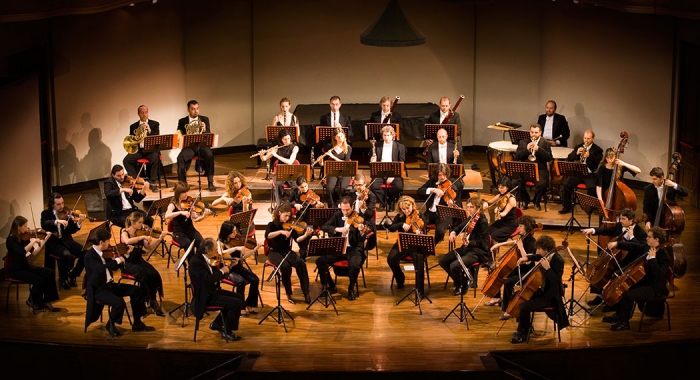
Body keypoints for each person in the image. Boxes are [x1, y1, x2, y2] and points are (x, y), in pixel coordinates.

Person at [84, 228, 154, 337]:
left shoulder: (104, 252)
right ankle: (110, 325)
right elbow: (101, 269)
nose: (109, 243)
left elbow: (114, 268)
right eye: (108, 241)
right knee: (119, 302)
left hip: (110, 285)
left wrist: (124, 256)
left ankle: (137, 323)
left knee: (136, 291)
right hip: (99, 290)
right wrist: (116, 260)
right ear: (101, 242)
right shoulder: (89, 255)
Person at [602, 226, 671, 331]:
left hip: (654, 287)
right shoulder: (647, 247)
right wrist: (617, 244)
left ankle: (624, 322)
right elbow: (634, 246)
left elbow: (660, 274)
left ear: (657, 240)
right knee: (623, 289)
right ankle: (619, 315)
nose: (646, 238)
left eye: (649, 237)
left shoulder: (663, 255)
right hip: (644, 282)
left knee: (628, 295)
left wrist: (652, 259)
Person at [581, 207, 648, 306]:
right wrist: (592, 230)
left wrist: (632, 237)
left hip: (630, 260)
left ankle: (611, 301)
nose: (621, 221)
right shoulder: (619, 226)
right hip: (616, 257)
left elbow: (641, 249)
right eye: (620, 219)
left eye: (624, 219)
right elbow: (607, 230)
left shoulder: (639, 232)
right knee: (600, 270)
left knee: (612, 273)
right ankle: (600, 296)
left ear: (631, 220)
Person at [509, 234, 569, 343]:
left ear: (546, 249)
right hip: (543, 291)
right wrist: (526, 257)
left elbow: (556, 281)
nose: (537, 251)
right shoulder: (547, 255)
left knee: (524, 307)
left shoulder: (558, 261)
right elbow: (537, 256)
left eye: (539, 249)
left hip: (550, 297)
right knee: (519, 297)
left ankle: (523, 335)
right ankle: (525, 328)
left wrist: (548, 268)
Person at [189, 238, 244, 341]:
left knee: (239, 298)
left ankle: (217, 323)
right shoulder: (196, 263)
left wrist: (230, 266)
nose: (218, 253)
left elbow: (215, 276)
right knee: (236, 303)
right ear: (208, 251)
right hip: (205, 296)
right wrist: (222, 271)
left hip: (212, 291)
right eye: (215, 250)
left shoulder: (207, 258)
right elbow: (207, 280)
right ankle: (227, 332)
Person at [485, 215, 539, 320]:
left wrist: (521, 247)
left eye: (521, 226)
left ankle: (507, 310)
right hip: (519, 268)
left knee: (508, 282)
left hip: (527, 272)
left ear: (527, 227)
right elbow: (515, 242)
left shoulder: (532, 241)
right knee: (501, 273)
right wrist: (499, 244)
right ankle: (497, 298)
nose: (518, 228)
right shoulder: (523, 237)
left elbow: (528, 261)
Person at [318, 196, 368, 301]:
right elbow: (325, 226)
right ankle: (331, 286)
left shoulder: (359, 217)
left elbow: (361, 240)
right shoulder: (337, 215)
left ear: (352, 207)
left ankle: (351, 288)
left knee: (354, 265)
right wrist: (338, 229)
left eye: (347, 210)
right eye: (343, 209)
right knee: (320, 261)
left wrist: (362, 231)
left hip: (353, 249)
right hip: (338, 248)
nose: (345, 212)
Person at [6, 216, 60, 312]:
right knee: (39, 280)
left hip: (25, 266)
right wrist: (34, 241)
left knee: (49, 272)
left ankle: (47, 300)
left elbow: (34, 252)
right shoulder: (10, 240)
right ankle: (32, 300)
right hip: (16, 270)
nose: (27, 229)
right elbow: (22, 252)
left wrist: (45, 239)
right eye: (25, 226)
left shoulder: (23, 238)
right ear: (18, 227)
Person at [439, 196, 490, 296]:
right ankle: (463, 280)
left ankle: (461, 285)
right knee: (442, 261)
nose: (469, 209)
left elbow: (480, 242)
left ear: (478, 208)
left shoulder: (482, 221)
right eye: (468, 207)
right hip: (467, 248)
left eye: (472, 207)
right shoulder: (472, 217)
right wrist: (454, 232)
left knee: (455, 265)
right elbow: (461, 226)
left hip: (477, 251)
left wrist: (468, 242)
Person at [121, 211, 166, 316]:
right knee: (145, 276)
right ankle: (150, 300)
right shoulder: (124, 232)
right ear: (132, 222)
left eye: (142, 222)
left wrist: (159, 239)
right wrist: (142, 238)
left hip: (138, 260)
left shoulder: (141, 232)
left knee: (154, 274)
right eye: (140, 222)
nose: (142, 225)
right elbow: (127, 241)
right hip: (128, 263)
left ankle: (151, 299)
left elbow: (148, 249)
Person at [265, 203, 312, 304]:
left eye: (289, 216)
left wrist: (306, 235)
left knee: (301, 264)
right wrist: (281, 232)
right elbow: (268, 235)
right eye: (285, 216)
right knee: (286, 267)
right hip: (274, 252)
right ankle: (288, 293)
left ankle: (306, 292)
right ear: (279, 213)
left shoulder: (290, 226)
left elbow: (297, 239)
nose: (287, 218)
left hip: (287, 251)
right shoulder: (272, 225)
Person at [41, 192, 86, 290]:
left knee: (85, 252)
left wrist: (78, 222)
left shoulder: (66, 212)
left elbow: (71, 230)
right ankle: (63, 278)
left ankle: (73, 274)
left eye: (62, 203)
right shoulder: (46, 214)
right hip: (55, 244)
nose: (61, 206)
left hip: (67, 241)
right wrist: (57, 221)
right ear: (52, 204)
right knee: (67, 256)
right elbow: (44, 224)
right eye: (58, 204)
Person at [217, 220, 262, 315]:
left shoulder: (235, 241)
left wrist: (254, 250)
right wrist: (236, 249)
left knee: (255, 279)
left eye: (235, 231)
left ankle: (249, 304)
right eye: (233, 232)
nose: (235, 233)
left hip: (237, 267)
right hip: (227, 270)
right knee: (241, 282)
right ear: (227, 232)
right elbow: (220, 254)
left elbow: (242, 258)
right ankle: (240, 307)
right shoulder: (220, 243)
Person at [385, 196, 426, 293]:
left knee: (419, 262)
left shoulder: (420, 215)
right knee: (391, 259)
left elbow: (424, 228)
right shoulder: (400, 216)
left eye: (408, 208)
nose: (406, 211)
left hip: (416, 244)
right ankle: (400, 278)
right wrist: (401, 224)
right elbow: (391, 228)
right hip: (402, 242)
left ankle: (419, 289)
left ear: (412, 205)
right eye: (404, 209)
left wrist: (420, 232)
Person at [559, 130, 604, 214]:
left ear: (593, 139)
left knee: (592, 187)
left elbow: (599, 163)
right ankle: (567, 206)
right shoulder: (578, 146)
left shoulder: (598, 150)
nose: (586, 140)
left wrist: (589, 156)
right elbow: (569, 158)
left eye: (588, 138)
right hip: (578, 172)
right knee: (566, 184)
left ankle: (590, 208)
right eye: (585, 138)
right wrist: (576, 153)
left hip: (590, 174)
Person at [176, 100, 216, 192]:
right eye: (193, 109)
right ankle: (182, 184)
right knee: (180, 158)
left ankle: (210, 182)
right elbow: (179, 134)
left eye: (197, 108)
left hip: (202, 146)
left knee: (210, 156)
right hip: (189, 147)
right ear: (188, 110)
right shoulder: (182, 121)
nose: (196, 111)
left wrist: (204, 129)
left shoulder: (205, 119)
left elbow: (208, 134)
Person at [165, 182, 214, 256]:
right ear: (178, 193)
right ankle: (192, 263)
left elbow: (195, 219)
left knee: (201, 243)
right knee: (188, 245)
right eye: (183, 193)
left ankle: (198, 261)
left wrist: (204, 215)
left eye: (186, 192)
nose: (186, 195)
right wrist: (180, 212)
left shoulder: (188, 202)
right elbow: (167, 216)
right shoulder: (173, 204)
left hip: (190, 230)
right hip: (179, 232)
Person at [512, 124, 552, 211]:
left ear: (540, 133)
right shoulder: (523, 142)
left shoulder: (545, 143)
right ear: (530, 132)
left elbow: (549, 158)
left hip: (540, 169)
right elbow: (517, 156)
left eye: (536, 132)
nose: (534, 134)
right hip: (525, 169)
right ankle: (525, 200)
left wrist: (539, 149)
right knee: (515, 182)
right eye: (532, 132)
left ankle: (536, 202)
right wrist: (526, 150)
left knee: (543, 184)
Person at [417, 163, 458, 248]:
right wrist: (433, 190)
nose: (442, 177)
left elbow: (456, 205)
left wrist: (450, 204)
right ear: (436, 175)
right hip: (429, 213)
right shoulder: (432, 181)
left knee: (440, 231)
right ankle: (420, 246)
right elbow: (419, 191)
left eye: (444, 175)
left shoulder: (453, 187)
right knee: (418, 225)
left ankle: (431, 246)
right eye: (440, 175)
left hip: (443, 215)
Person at [122, 105, 161, 192]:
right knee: (126, 160)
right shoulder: (133, 126)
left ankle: (152, 182)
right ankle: (137, 180)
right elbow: (132, 139)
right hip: (139, 150)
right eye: (142, 113)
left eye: (146, 112)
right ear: (138, 114)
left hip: (150, 150)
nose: (144, 114)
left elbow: (157, 138)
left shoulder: (155, 124)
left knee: (155, 158)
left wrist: (149, 130)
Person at [104, 164, 154, 228]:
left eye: (122, 174)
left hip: (131, 210)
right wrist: (123, 189)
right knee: (131, 224)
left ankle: (146, 237)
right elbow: (108, 193)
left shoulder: (128, 181)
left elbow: (137, 199)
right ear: (113, 175)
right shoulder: (109, 182)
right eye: (118, 176)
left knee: (149, 220)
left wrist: (143, 190)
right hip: (118, 213)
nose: (122, 177)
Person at [260, 128, 299, 208]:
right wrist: (261, 154)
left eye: (288, 138)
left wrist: (276, 155)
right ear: (281, 140)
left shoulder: (295, 148)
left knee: (295, 185)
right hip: (280, 171)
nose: (287, 141)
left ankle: (292, 204)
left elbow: (290, 162)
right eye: (285, 139)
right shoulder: (277, 148)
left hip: (291, 171)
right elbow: (264, 158)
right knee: (278, 184)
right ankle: (280, 206)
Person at [370, 125, 406, 211]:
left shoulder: (400, 147)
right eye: (385, 135)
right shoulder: (377, 146)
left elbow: (402, 163)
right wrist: (372, 161)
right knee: (374, 186)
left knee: (398, 186)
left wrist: (393, 176)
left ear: (392, 135)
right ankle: (383, 201)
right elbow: (371, 163)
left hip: (394, 171)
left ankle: (391, 201)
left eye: (388, 135)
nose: (386, 137)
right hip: (380, 171)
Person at [595, 146, 641, 211]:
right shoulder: (602, 168)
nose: (609, 160)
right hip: (605, 194)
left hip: (618, 196)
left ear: (616, 157)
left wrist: (624, 164)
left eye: (611, 158)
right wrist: (600, 199)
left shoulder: (620, 166)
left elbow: (638, 171)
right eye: (607, 158)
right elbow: (599, 186)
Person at [426, 128, 464, 205]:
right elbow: (428, 163)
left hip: (450, 174)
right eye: (439, 137)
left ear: (446, 136)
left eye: (443, 136)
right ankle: (435, 205)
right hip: (438, 174)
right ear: (437, 137)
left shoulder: (454, 146)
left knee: (459, 185)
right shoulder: (432, 147)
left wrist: (458, 156)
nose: (441, 138)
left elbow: (460, 163)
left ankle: (458, 204)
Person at [643, 166, 688, 230]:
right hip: (655, 219)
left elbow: (685, 193)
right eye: (652, 179)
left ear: (661, 178)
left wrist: (674, 185)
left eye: (655, 179)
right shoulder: (648, 189)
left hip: (669, 218)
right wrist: (647, 221)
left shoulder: (670, 185)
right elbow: (646, 207)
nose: (653, 181)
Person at [482, 176, 518, 243]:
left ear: (508, 187)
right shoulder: (500, 196)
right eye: (499, 187)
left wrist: (498, 212)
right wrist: (485, 203)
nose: (500, 189)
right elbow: (489, 202)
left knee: (493, 236)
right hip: (500, 223)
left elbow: (504, 213)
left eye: (502, 188)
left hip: (509, 225)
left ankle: (492, 251)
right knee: (486, 233)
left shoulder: (511, 199)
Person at [323, 127, 353, 206]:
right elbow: (324, 163)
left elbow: (346, 163)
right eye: (338, 137)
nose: (340, 138)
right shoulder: (331, 148)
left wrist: (333, 157)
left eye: (341, 136)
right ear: (334, 138)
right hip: (333, 170)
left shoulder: (348, 148)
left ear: (344, 136)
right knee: (329, 188)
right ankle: (332, 205)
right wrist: (321, 162)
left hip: (345, 171)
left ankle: (340, 204)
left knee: (342, 187)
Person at [349, 173, 377, 252]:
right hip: (353, 219)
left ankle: (356, 250)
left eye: (360, 185)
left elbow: (370, 214)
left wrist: (363, 208)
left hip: (366, 221)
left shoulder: (371, 196)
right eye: (356, 185)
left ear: (364, 184)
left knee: (355, 230)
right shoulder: (352, 193)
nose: (358, 187)